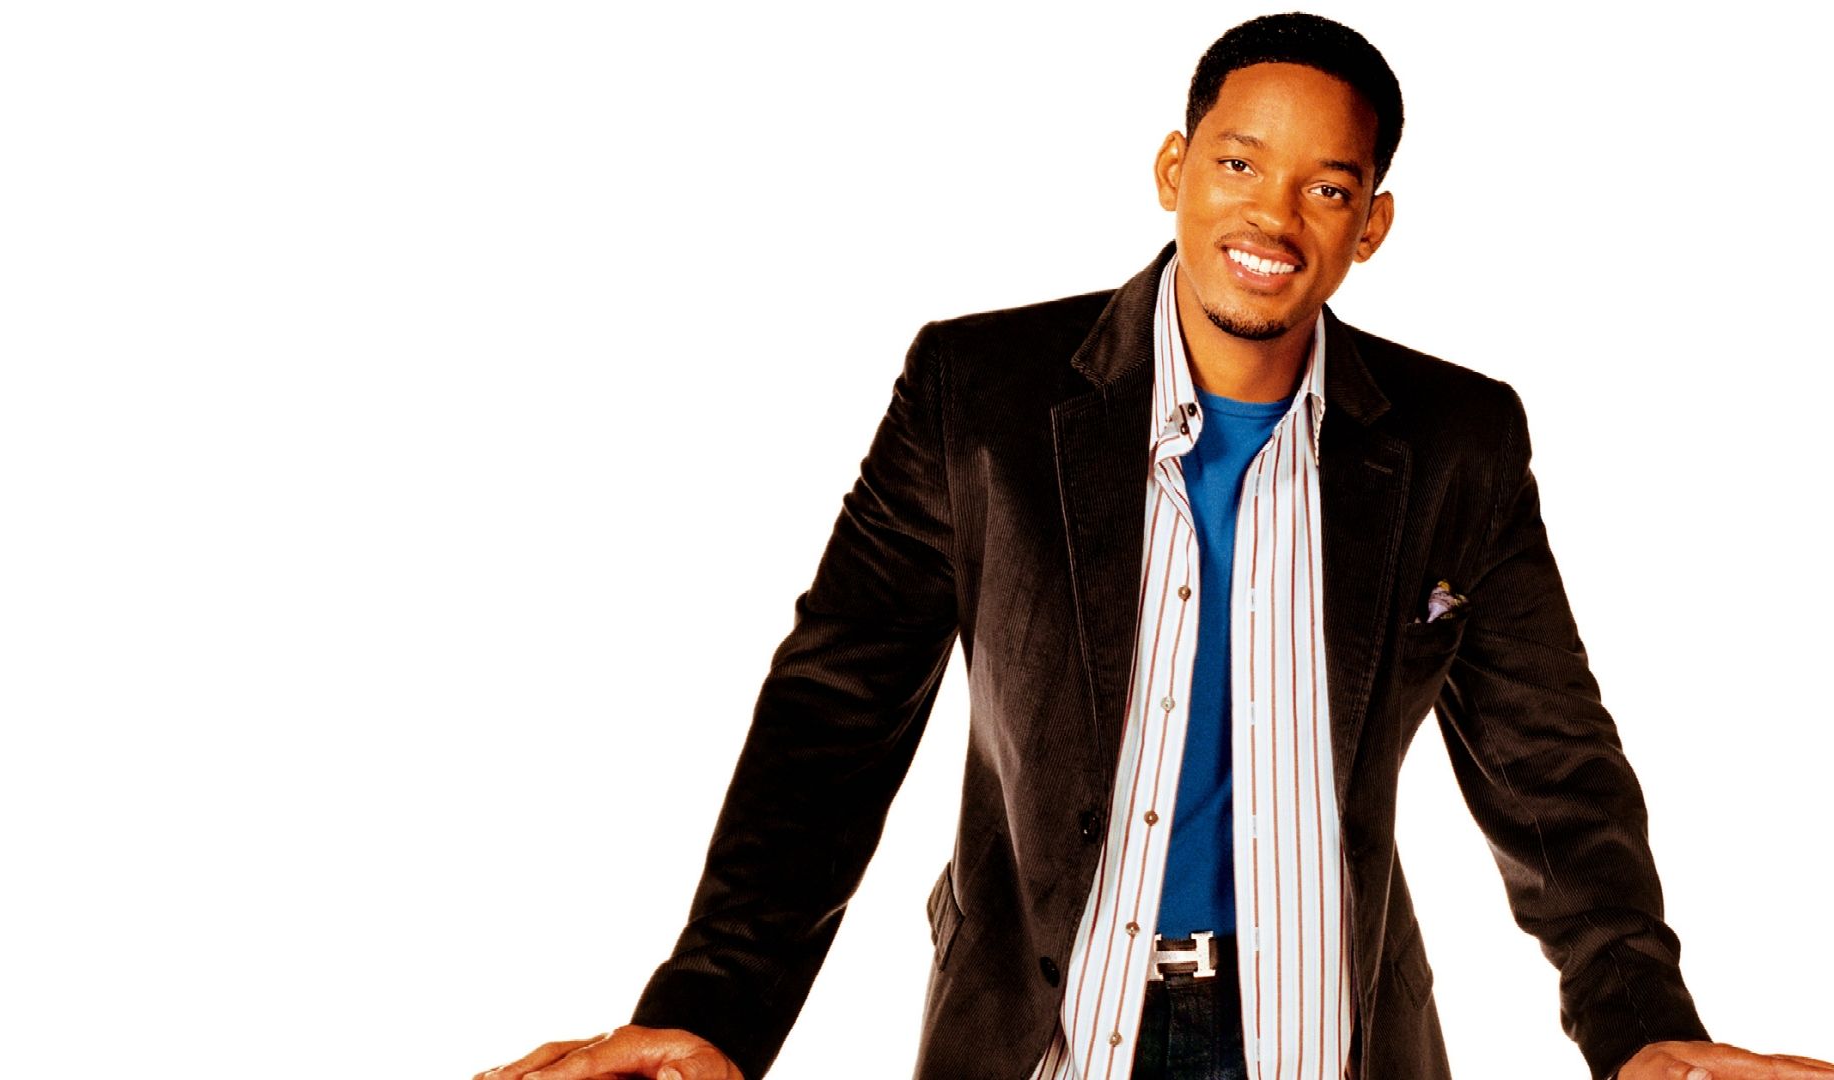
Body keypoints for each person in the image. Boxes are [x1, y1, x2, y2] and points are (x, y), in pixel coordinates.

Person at [477, 14, 1834, 1080]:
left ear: (1370, 224)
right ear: (1175, 168)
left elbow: (1553, 766)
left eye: (1325, 186)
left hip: (1327, 1042)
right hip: (1049, 1038)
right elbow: (835, 714)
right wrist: (712, 1012)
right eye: (1239, 164)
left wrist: (1642, 1029)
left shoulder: (1456, 443)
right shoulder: (981, 399)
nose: (1271, 217)